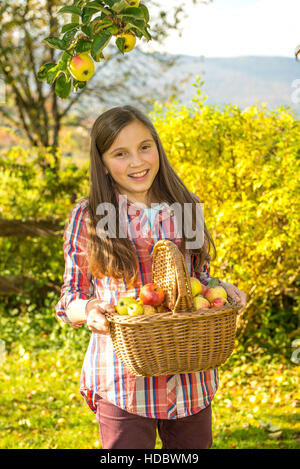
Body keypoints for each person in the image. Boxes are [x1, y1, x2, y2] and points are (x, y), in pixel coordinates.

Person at [55, 105, 247, 449]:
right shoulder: (89, 216)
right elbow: (70, 296)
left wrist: (220, 288)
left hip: (190, 374)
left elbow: (196, 277)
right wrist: (90, 310)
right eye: (120, 153)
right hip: (123, 380)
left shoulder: (184, 206)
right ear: (102, 162)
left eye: (145, 147)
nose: (137, 162)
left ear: (157, 147)